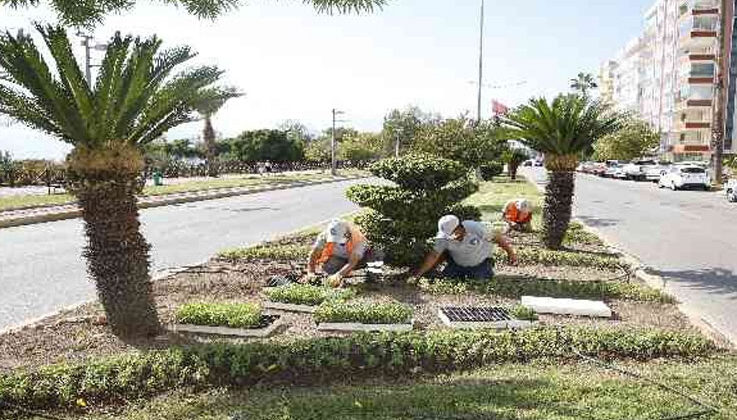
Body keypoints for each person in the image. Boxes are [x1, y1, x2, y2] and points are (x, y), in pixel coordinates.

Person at [413, 215, 517, 280]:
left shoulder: (475, 228)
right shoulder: (443, 237)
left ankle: (485, 271)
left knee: (479, 279)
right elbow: (434, 255)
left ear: (459, 228)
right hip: (457, 264)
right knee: (447, 279)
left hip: (480, 263)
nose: (449, 237)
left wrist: (510, 253)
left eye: (452, 233)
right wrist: (418, 275)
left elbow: (497, 237)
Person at [304, 219, 371, 287]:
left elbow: (352, 262)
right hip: (339, 257)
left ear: (347, 234)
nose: (335, 242)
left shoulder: (358, 239)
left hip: (360, 260)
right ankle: (341, 271)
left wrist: (339, 275)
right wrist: (311, 272)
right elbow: (314, 254)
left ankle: (373, 275)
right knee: (328, 270)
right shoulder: (325, 236)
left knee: (373, 260)